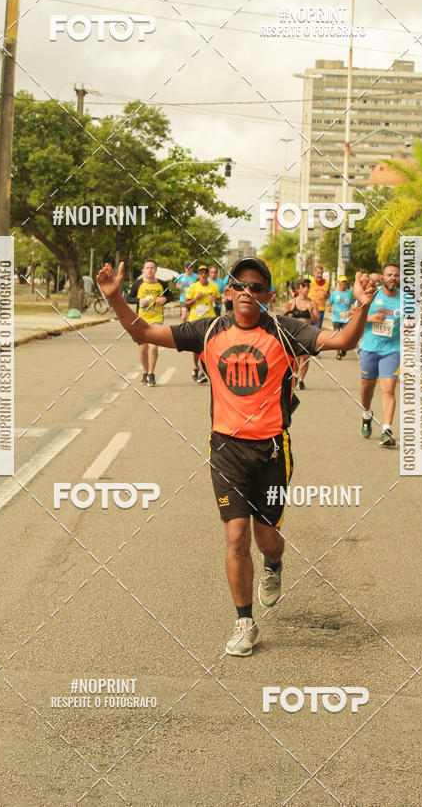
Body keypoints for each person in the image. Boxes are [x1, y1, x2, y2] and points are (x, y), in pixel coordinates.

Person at [96, 256, 377, 657]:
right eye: (240, 285)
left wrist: (363, 306)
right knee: (236, 535)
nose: (247, 292)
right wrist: (114, 297)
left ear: (268, 296)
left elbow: (343, 342)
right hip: (226, 450)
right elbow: (142, 330)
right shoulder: (209, 329)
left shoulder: (285, 329)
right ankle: (244, 621)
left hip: (273, 452)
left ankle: (274, 563)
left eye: (256, 287)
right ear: (228, 293)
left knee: (267, 538)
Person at [358, 263, 401, 448]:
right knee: (368, 387)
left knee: (389, 387)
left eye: (397, 275)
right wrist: (370, 318)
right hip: (369, 348)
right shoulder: (371, 295)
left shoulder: (406, 299)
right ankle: (366, 414)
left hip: (392, 350)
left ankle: (387, 429)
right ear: (382, 278)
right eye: (390, 274)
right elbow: (353, 314)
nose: (393, 278)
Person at [126, 258, 173, 386]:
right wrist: (139, 301)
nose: (149, 270)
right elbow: (128, 298)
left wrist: (164, 299)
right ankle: (145, 373)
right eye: (147, 268)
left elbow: (170, 296)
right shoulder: (137, 284)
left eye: (152, 268)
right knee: (143, 347)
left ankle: (151, 374)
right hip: (141, 319)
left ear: (155, 270)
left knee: (153, 346)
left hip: (157, 319)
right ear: (143, 270)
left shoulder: (162, 284)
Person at [185, 265, 220, 383]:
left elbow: (219, 300)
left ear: (208, 275)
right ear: (198, 275)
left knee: (205, 346)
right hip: (195, 320)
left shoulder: (214, 287)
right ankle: (196, 367)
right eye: (201, 273)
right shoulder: (193, 287)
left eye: (205, 273)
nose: (203, 275)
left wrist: (215, 299)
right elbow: (186, 303)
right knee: (195, 347)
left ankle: (202, 372)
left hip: (209, 319)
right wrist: (196, 298)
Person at [284, 280, 318, 389]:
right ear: (298, 288)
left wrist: (312, 311)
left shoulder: (312, 303)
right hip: (295, 334)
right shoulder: (291, 302)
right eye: (303, 286)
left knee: (306, 358)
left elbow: (316, 320)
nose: (306, 288)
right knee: (295, 358)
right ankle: (294, 376)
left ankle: (301, 381)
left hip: (307, 333)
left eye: (308, 286)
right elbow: (285, 318)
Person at [327, 275, 353, 360]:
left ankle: (344, 349)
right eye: (342, 281)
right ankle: (338, 353)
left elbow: (352, 304)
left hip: (346, 318)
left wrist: (353, 311)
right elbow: (329, 304)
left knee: (346, 334)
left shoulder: (349, 293)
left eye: (345, 281)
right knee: (336, 336)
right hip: (336, 318)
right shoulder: (334, 294)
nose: (344, 283)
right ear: (338, 283)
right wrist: (329, 308)